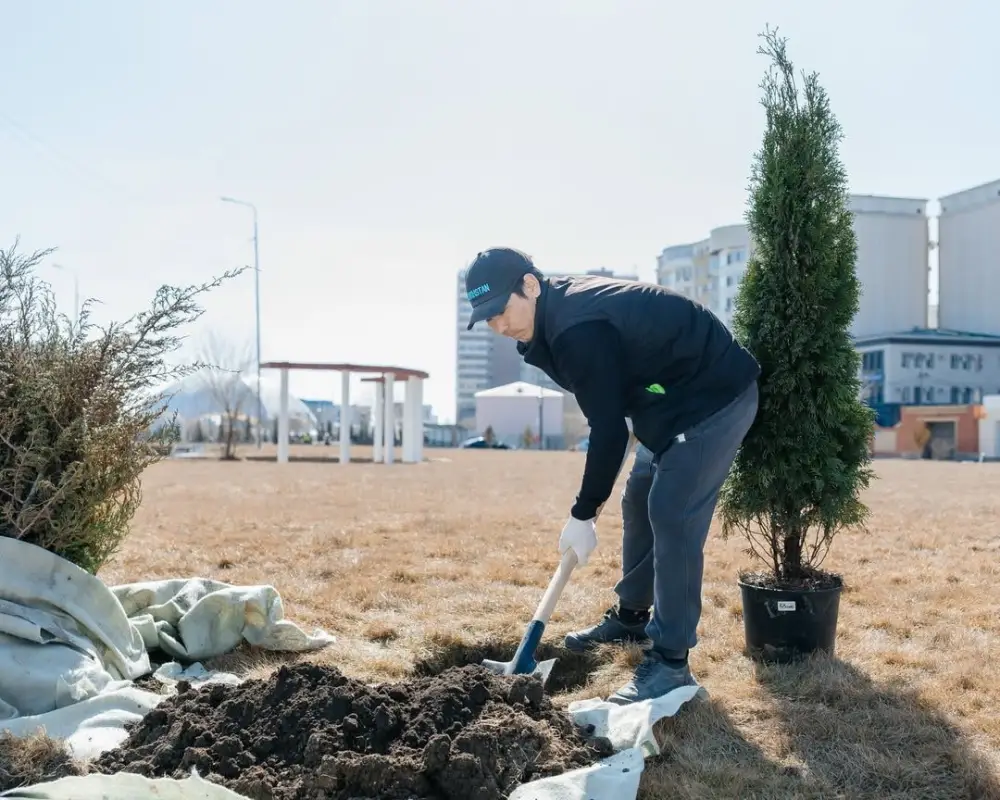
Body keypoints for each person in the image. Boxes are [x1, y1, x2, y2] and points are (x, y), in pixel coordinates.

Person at [464, 247, 760, 705]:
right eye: (489, 319)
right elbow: (612, 402)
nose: (499, 326)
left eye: (502, 309)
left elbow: (607, 431)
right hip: (664, 398)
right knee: (638, 497)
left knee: (672, 511)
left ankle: (671, 663)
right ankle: (631, 619)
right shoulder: (553, 319)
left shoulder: (575, 328)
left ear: (531, 285)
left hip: (713, 394)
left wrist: (582, 513)